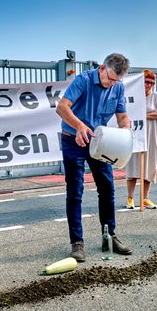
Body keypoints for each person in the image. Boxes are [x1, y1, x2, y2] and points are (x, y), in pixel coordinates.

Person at [55, 53, 133, 262]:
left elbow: (122, 117)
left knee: (107, 189)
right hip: (74, 139)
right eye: (109, 78)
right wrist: (79, 125)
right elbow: (62, 107)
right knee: (75, 191)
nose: (111, 84)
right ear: (101, 69)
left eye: (116, 81)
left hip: (100, 141)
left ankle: (110, 236)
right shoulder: (83, 80)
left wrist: (126, 131)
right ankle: (77, 243)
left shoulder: (118, 87)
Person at [125, 69, 157, 210]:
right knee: (133, 166)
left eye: (151, 82)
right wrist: (145, 114)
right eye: (146, 82)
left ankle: (145, 198)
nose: (148, 85)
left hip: (152, 135)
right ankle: (130, 198)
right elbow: (128, 113)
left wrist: (143, 115)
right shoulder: (134, 96)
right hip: (136, 134)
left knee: (149, 166)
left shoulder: (156, 96)